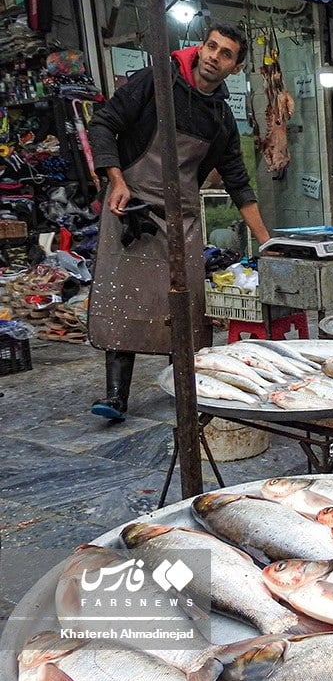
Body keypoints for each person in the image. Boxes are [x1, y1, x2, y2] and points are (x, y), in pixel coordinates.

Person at [87, 23, 270, 421]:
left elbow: (237, 180)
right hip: (130, 207)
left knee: (186, 309)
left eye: (225, 54)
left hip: (182, 220)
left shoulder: (220, 117)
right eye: (211, 46)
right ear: (200, 47)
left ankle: (186, 387)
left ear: (234, 67)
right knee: (125, 301)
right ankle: (116, 397)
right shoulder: (155, 80)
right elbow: (103, 124)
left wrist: (267, 243)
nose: (213, 57)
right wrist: (115, 179)